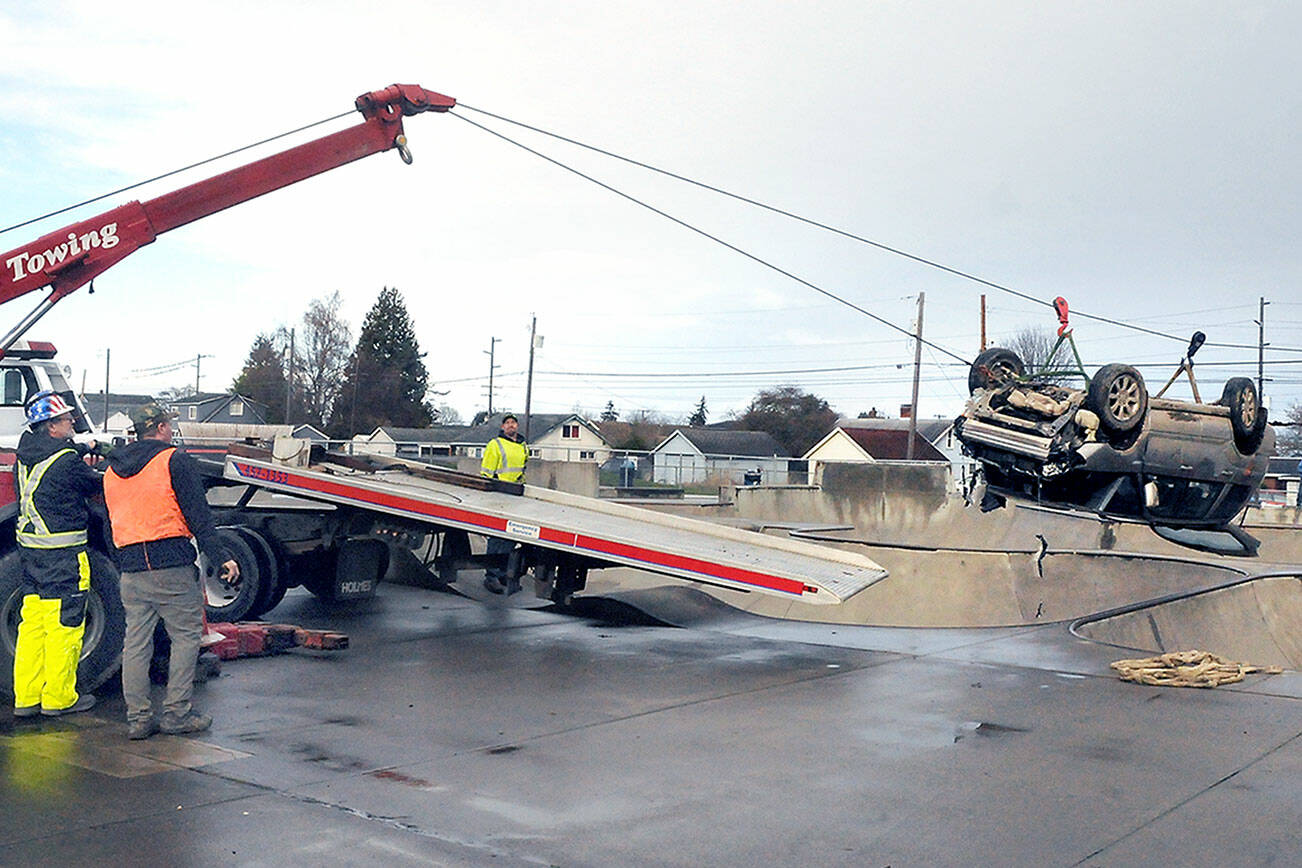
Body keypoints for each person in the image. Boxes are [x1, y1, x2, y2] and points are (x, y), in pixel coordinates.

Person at [102, 402, 238, 740]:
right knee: (186, 637)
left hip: (131, 568)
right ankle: (176, 713)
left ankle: (138, 719)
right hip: (171, 565)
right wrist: (220, 557)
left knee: (135, 643)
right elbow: (198, 515)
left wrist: (122, 564)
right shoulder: (173, 460)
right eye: (168, 425)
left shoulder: (111, 471)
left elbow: (109, 524)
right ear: (161, 427)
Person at [12, 391, 103, 718]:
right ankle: (59, 699)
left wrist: (83, 447)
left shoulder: (25, 456)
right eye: (67, 419)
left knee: (33, 626)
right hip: (64, 558)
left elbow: (57, 458)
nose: (73, 422)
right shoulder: (67, 463)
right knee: (65, 627)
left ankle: (27, 697)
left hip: (32, 556)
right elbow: (99, 485)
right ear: (51, 426)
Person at [479, 412, 527, 595]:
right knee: (496, 537)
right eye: (507, 423)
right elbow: (486, 472)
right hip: (498, 495)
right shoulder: (495, 444)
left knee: (510, 537)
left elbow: (523, 469)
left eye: (513, 423)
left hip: (514, 495)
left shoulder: (523, 446)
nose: (510, 425)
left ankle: (502, 574)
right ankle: (491, 576)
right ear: (502, 427)